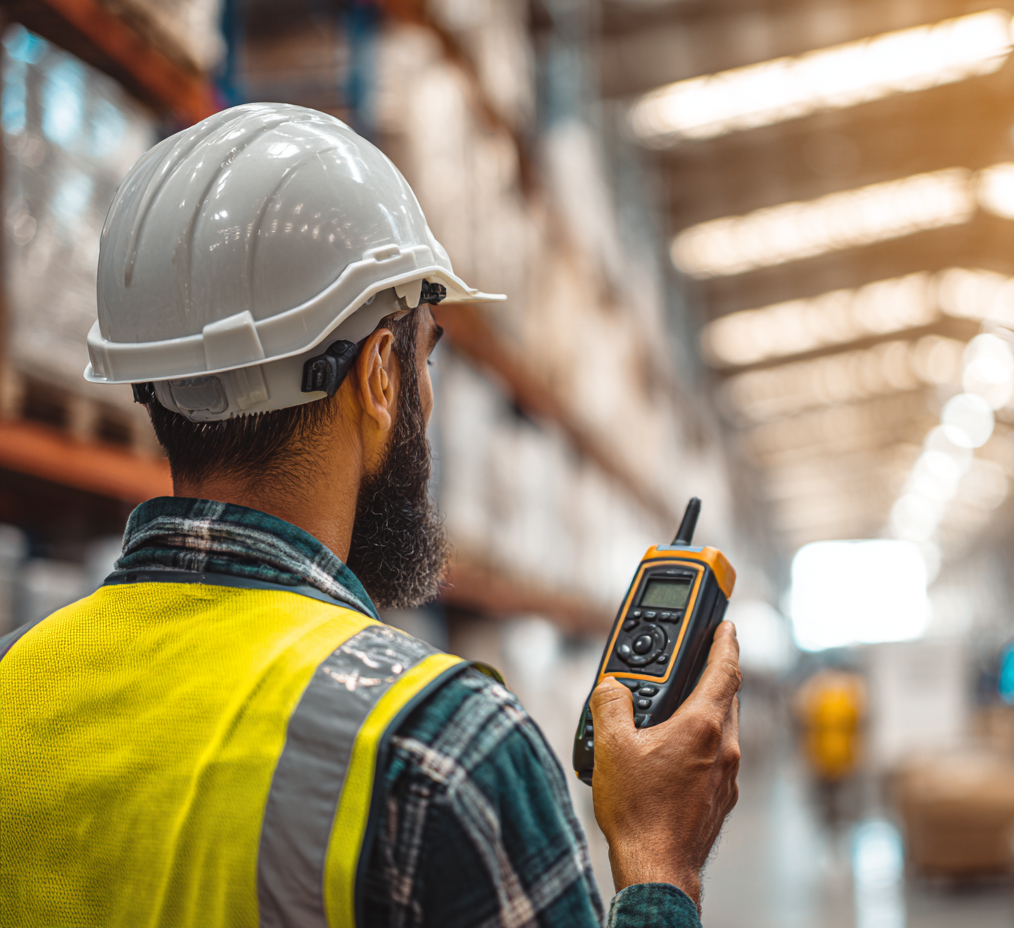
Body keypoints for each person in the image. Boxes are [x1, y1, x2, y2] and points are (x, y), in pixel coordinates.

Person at [0, 103, 741, 928]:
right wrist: (659, 859)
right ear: (381, 372)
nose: (426, 391)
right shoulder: (446, 747)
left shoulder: (13, 679)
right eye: (425, 356)